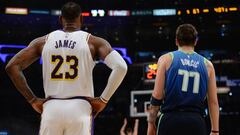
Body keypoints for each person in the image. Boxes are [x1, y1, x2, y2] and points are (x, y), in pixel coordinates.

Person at [5, 2, 127, 135]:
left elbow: (12, 66)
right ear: (81, 18)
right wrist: (103, 100)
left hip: (51, 108)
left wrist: (32, 100)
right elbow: (121, 67)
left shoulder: (42, 42)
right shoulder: (93, 42)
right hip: (80, 107)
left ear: (60, 19)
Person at [147, 24, 219, 135]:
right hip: (196, 121)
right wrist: (215, 130)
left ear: (176, 41)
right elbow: (213, 102)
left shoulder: (166, 59)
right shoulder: (208, 65)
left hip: (170, 119)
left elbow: (157, 96)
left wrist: (151, 123)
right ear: (195, 41)